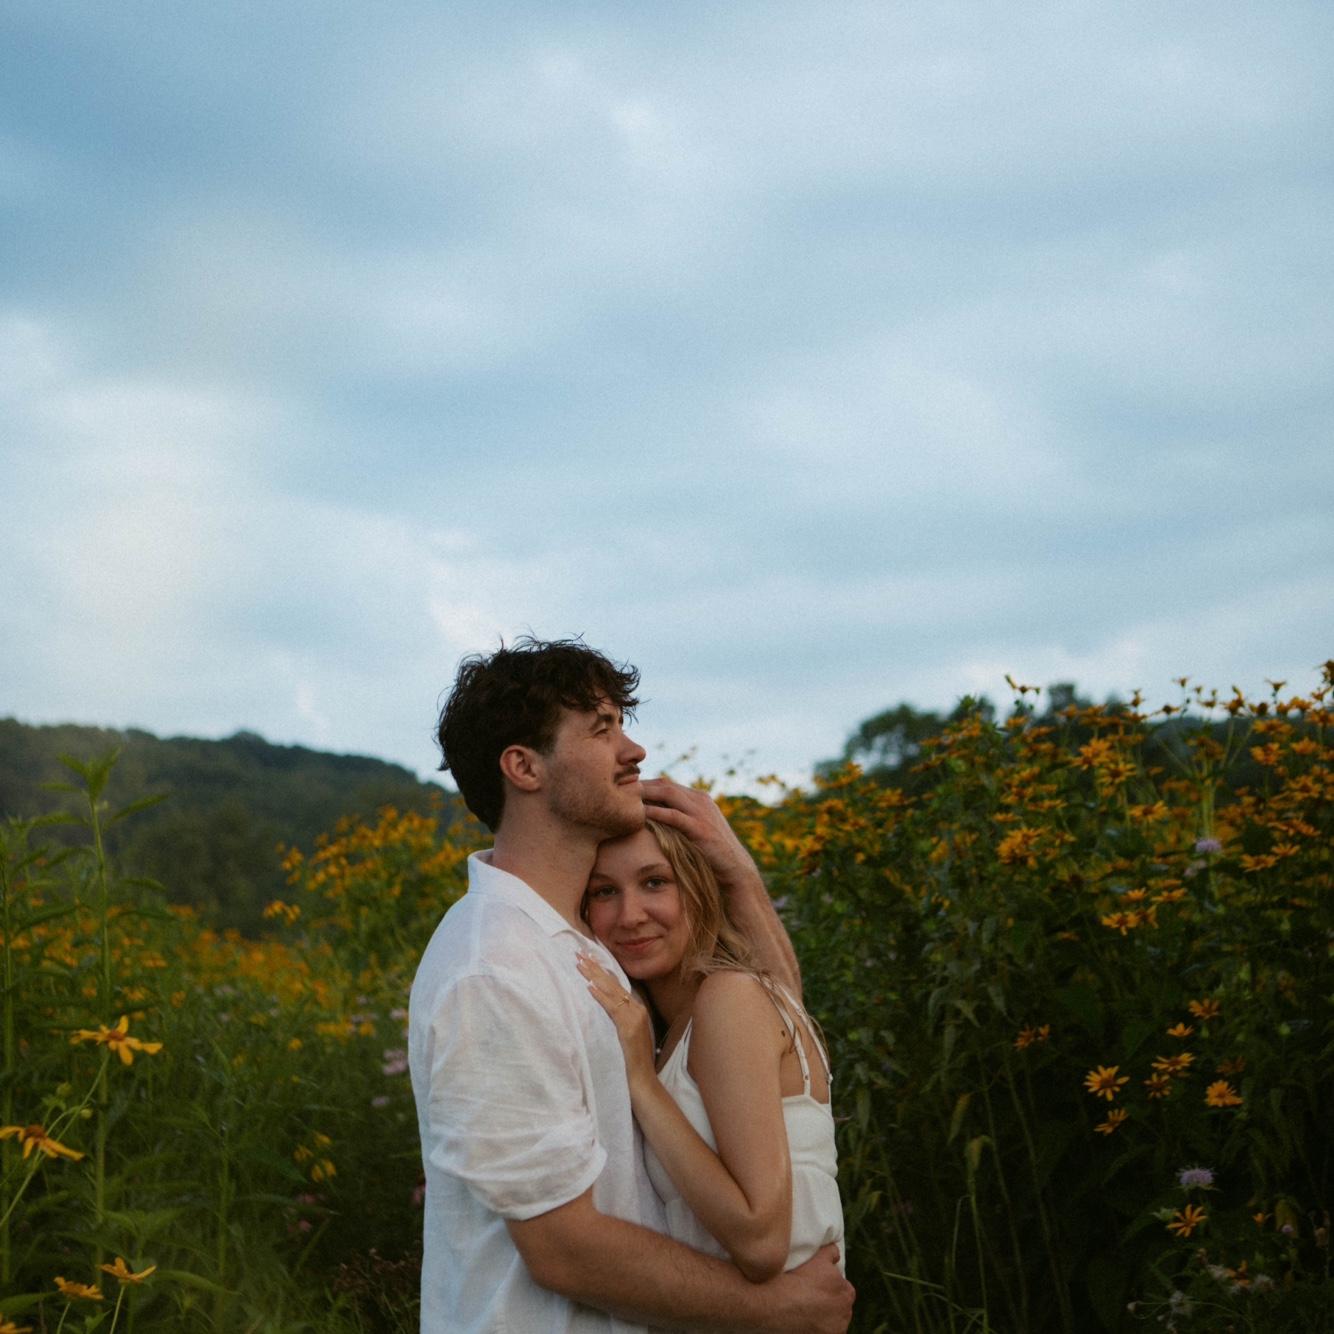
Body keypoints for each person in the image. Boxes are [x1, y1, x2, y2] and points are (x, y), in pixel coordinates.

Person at [408, 637, 854, 1333]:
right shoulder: (494, 969)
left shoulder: (589, 938)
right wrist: (774, 1309)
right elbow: (563, 1248)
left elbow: (775, 1028)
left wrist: (737, 875)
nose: (634, 751)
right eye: (602, 729)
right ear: (524, 767)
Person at [577, 816, 844, 1284]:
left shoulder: (730, 998)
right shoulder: (678, 1029)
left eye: (655, 882)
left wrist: (641, 1083)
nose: (630, 915)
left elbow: (762, 1242)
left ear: (700, 888)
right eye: (604, 891)